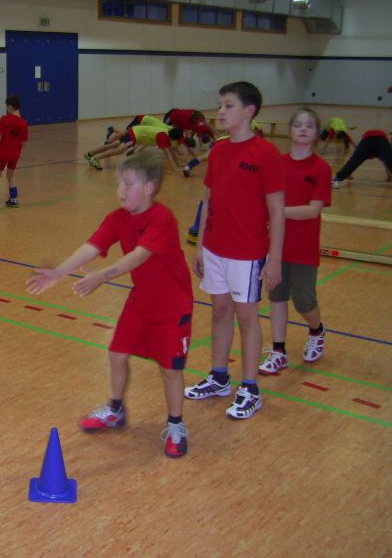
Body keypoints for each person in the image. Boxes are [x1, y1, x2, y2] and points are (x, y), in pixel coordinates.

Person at [26, 154, 193, 458]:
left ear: (149, 188)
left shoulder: (162, 219)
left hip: (172, 305)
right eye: (118, 183)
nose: (120, 190)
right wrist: (58, 272)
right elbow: (92, 246)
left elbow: (139, 255)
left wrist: (102, 276)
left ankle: (176, 425)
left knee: (170, 370)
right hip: (141, 300)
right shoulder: (118, 217)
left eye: (128, 184)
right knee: (116, 354)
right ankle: (115, 410)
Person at [184, 81, 285, 419]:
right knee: (220, 312)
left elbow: (276, 211)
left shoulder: (266, 154)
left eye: (228, 106)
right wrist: (200, 246)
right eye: (220, 105)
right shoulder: (219, 151)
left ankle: (250, 388)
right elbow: (209, 200)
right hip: (215, 249)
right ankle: (219, 377)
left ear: (249, 111)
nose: (220, 112)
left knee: (246, 318)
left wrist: (274, 259)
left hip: (248, 254)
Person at [260, 108, 331, 375]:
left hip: (303, 246)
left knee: (303, 300)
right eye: (298, 124)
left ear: (316, 133)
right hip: (276, 245)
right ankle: (278, 351)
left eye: (309, 125)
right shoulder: (277, 164)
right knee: (276, 296)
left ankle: (317, 330)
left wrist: (278, 212)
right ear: (290, 130)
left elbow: (312, 210)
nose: (302, 128)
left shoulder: (321, 168)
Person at [0, 94, 28, 212]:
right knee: (11, 175)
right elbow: (24, 142)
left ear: (10, 106)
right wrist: (18, 152)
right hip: (14, 154)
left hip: (3, 153)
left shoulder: (4, 119)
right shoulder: (23, 123)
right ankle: (13, 199)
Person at [83, 124, 188, 170]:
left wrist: (179, 164)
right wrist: (175, 167)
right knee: (118, 151)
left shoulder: (166, 133)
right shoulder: (163, 136)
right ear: (174, 137)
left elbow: (171, 151)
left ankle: (90, 153)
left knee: (113, 145)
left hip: (135, 132)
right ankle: (96, 159)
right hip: (135, 135)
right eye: (178, 140)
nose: (178, 143)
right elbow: (169, 153)